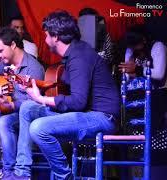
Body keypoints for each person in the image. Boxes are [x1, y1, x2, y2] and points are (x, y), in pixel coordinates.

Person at [12, 10, 120, 179]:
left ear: (56, 36)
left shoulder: (80, 57)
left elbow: (78, 102)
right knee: (27, 108)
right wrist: (33, 86)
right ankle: (22, 172)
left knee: (39, 128)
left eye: (47, 35)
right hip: (86, 114)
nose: (45, 40)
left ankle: (63, 176)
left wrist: (41, 98)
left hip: (102, 118)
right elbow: (64, 89)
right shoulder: (72, 55)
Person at [0, 27, 44, 179]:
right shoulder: (5, 63)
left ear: (12, 45)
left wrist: (11, 105)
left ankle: (9, 171)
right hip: (7, 109)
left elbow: (33, 104)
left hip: (25, 116)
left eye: (0, 51)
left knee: (4, 122)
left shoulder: (34, 67)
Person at [118, 25, 167, 130]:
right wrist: (128, 72)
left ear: (143, 40)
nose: (134, 48)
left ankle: (150, 139)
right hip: (138, 92)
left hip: (158, 93)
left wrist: (138, 69)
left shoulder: (158, 46)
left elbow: (159, 74)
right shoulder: (131, 50)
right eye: (131, 46)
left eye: (135, 45)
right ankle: (128, 138)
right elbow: (127, 74)